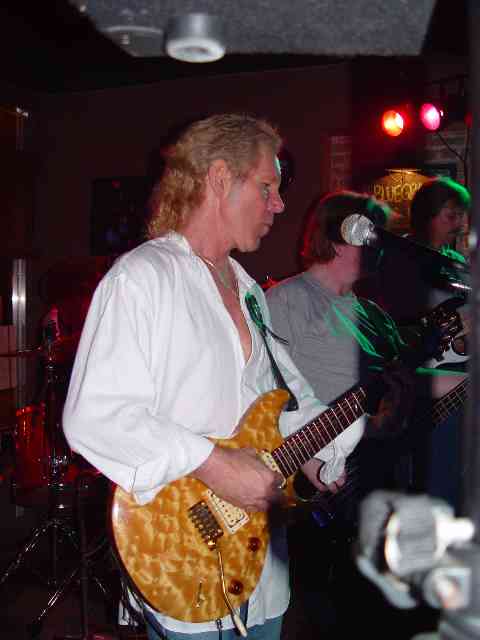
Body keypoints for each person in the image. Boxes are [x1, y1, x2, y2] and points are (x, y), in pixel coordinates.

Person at [62, 114, 367, 640]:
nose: (279, 205)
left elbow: (287, 401)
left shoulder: (250, 292)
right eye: (267, 187)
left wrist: (321, 452)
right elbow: (95, 416)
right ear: (220, 178)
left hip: (260, 563)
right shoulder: (143, 277)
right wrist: (213, 464)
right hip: (181, 556)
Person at [265, 190, 466, 638]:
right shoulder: (286, 301)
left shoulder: (373, 315)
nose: (382, 250)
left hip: (381, 486)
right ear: (342, 238)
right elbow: (265, 397)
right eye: (374, 237)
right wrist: (306, 458)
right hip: (321, 493)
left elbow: (407, 386)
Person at [356, 177, 471, 511]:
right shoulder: (401, 260)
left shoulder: (455, 264)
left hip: (450, 381)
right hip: (415, 383)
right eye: (451, 215)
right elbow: (395, 326)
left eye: (462, 216)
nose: (460, 225)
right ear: (428, 216)